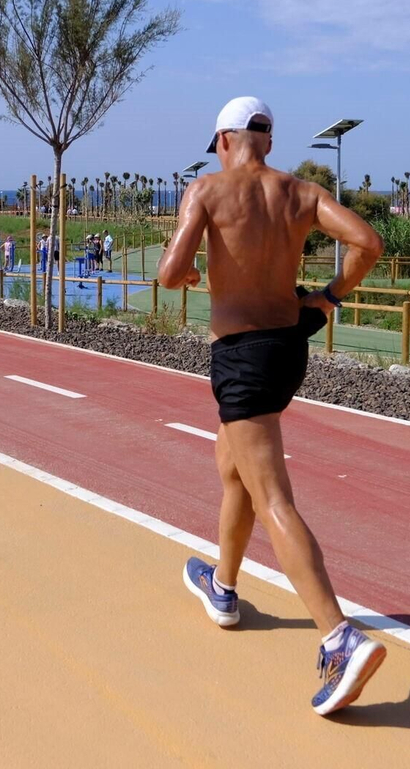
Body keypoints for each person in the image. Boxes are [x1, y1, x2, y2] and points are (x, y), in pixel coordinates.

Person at [158, 96, 385, 716]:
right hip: (288, 349)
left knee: (272, 497)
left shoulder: (207, 190)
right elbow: (367, 242)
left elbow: (170, 273)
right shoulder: (302, 193)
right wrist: (328, 297)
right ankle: (224, 587)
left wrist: (196, 274)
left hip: (242, 359)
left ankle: (339, 638)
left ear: (224, 140)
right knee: (234, 468)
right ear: (267, 139)